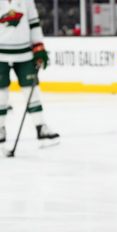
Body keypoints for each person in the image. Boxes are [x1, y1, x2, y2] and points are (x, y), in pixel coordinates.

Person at [0, 0, 59, 146]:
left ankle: (41, 127)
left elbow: (34, 23)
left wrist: (38, 47)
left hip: (25, 53)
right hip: (0, 54)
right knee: (1, 93)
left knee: (31, 92)